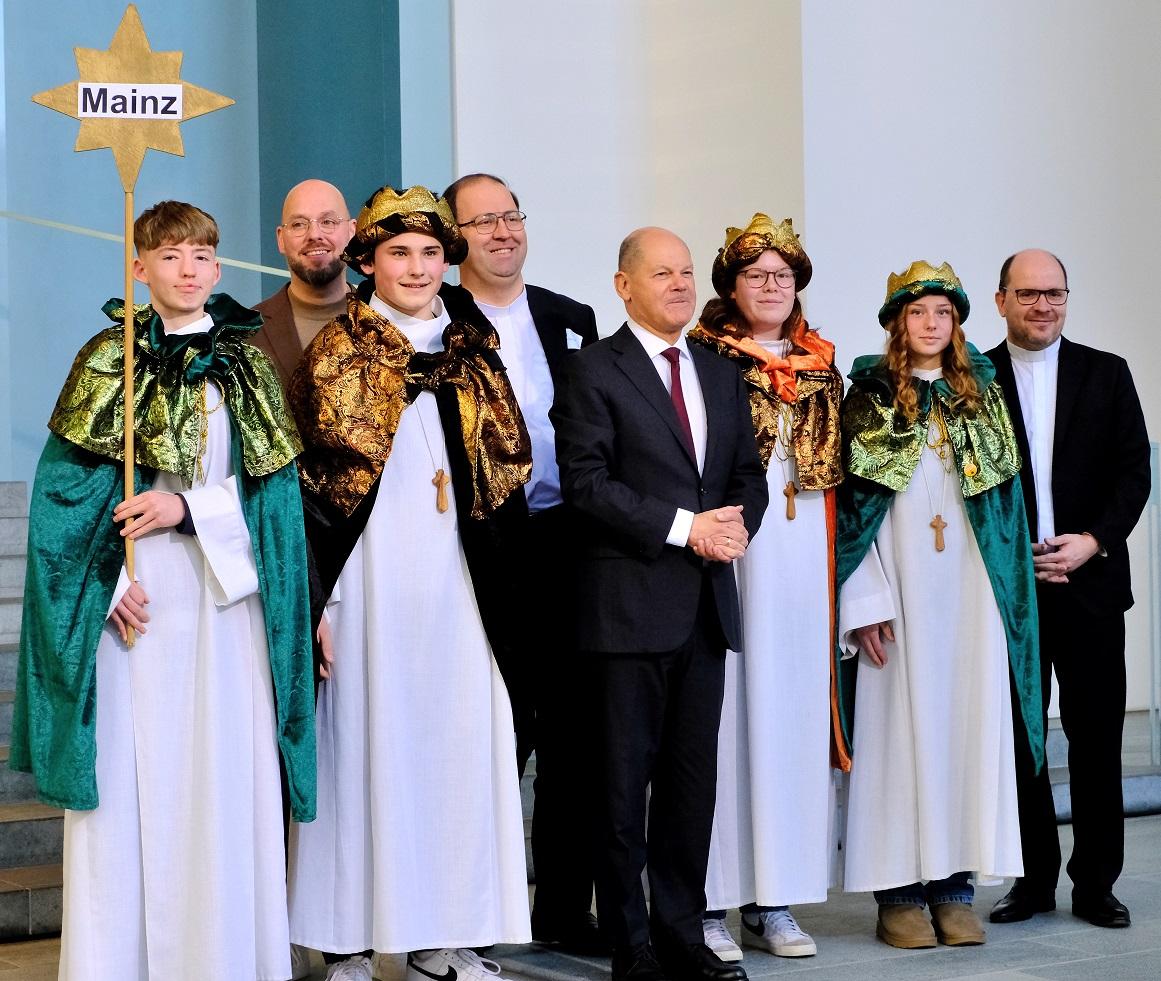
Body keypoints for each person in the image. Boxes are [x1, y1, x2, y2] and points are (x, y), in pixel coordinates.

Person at [9, 200, 316, 980]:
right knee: (128, 793)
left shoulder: (245, 365)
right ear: (138, 269)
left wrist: (189, 507)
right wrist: (102, 587)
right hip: (133, 613)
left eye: (201, 255)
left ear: (217, 268)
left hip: (223, 605)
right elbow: (60, 504)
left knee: (219, 787)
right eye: (169, 255)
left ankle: (222, 959)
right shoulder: (106, 360)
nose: (188, 269)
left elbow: (274, 504)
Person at [285, 185, 533, 981]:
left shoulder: (473, 351)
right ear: (367, 260)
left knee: (458, 752)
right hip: (368, 591)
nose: (417, 266)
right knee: (362, 750)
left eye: (430, 251)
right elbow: (314, 490)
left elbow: (502, 479)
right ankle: (351, 941)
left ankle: (445, 935)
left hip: (463, 590)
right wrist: (318, 599)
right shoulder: (340, 352)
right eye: (398, 252)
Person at [551, 227, 768, 981]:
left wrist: (733, 527)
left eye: (685, 272)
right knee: (617, 788)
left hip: (704, 611)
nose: (679, 283)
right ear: (622, 285)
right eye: (661, 272)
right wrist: (688, 530)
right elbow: (585, 483)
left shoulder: (717, 372)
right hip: (624, 611)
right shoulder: (590, 370)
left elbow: (745, 474)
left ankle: (682, 931)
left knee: (688, 786)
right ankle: (631, 942)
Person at [835, 260, 1042, 950]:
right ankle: (896, 892)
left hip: (968, 598)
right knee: (898, 735)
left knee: (965, 730)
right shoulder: (867, 394)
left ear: (957, 324)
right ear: (897, 322)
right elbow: (850, 512)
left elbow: (1003, 511)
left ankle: (954, 887)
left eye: (943, 314)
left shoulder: (979, 397)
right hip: (897, 595)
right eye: (918, 312)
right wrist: (862, 597)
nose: (931, 324)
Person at [445, 172, 603, 953]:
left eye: (511, 216)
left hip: (571, 542)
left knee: (577, 736)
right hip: (482, 552)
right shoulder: (437, 320)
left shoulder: (570, 317)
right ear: (453, 238)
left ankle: (565, 914)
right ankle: (473, 912)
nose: (502, 232)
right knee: (491, 733)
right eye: (482, 221)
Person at [687, 215, 843, 962]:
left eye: (782, 274)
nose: (771, 285)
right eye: (756, 274)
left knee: (787, 724)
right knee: (721, 728)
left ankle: (773, 898)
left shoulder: (821, 364)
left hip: (801, 564)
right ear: (731, 286)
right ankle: (712, 896)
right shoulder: (703, 357)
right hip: (733, 557)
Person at [986, 249, 1150, 929]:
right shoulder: (975, 378)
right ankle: (1030, 882)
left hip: (1089, 585)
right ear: (1000, 301)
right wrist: (1009, 554)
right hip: (1010, 593)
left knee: (1094, 740)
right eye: (1027, 294)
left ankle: (1095, 883)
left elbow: (1134, 471)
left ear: (1065, 298)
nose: (1042, 306)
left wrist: (1093, 541)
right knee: (1021, 744)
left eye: (1053, 293)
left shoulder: (1106, 372)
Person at [253, 178, 355, 386]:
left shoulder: (385, 323)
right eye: (299, 224)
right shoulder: (247, 332)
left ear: (352, 232)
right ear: (281, 239)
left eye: (328, 222)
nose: (314, 235)